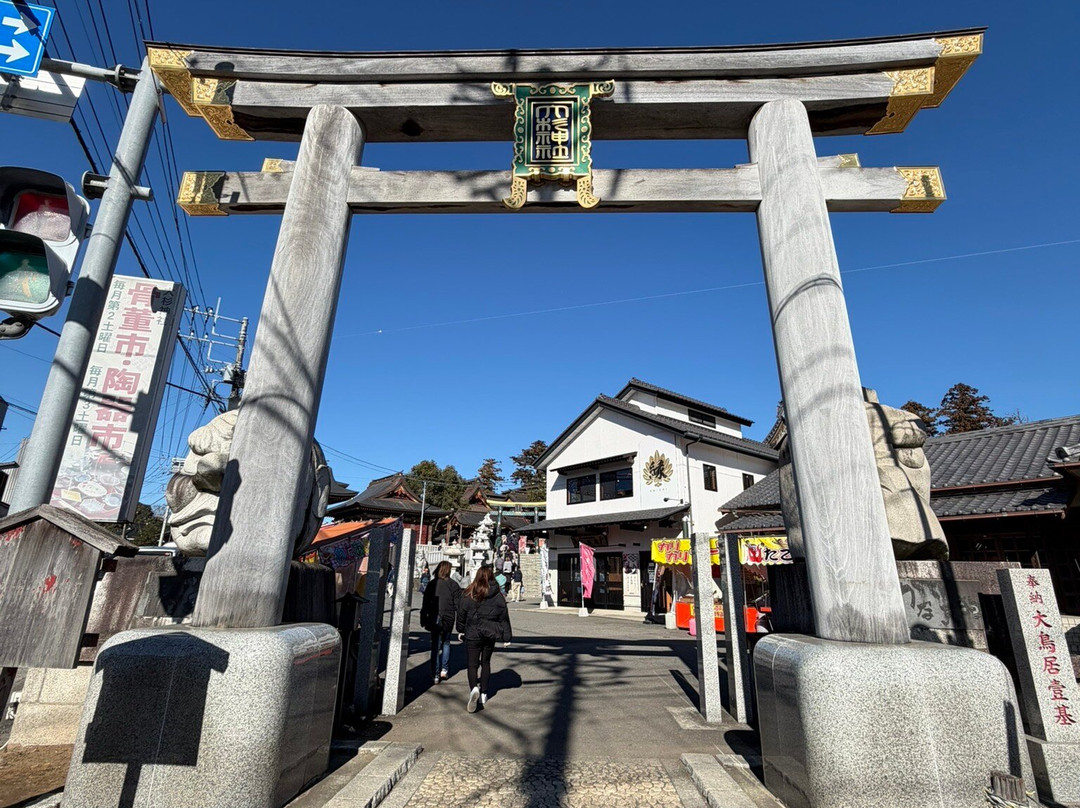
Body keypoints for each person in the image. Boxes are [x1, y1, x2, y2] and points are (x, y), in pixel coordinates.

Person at [456, 565, 512, 713]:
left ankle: (474, 687)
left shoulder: (469, 592)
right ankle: (484, 693)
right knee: (485, 662)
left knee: (472, 664)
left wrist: (460, 629)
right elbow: (503, 617)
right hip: (490, 632)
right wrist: (506, 637)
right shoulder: (497, 594)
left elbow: (461, 613)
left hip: (472, 632)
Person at [419, 561, 461, 685]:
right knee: (446, 643)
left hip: (434, 615)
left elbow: (425, 602)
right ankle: (444, 670)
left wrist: (423, 617)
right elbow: (458, 604)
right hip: (448, 617)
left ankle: (435, 674)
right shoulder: (453, 584)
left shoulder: (432, 584)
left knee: (435, 646)